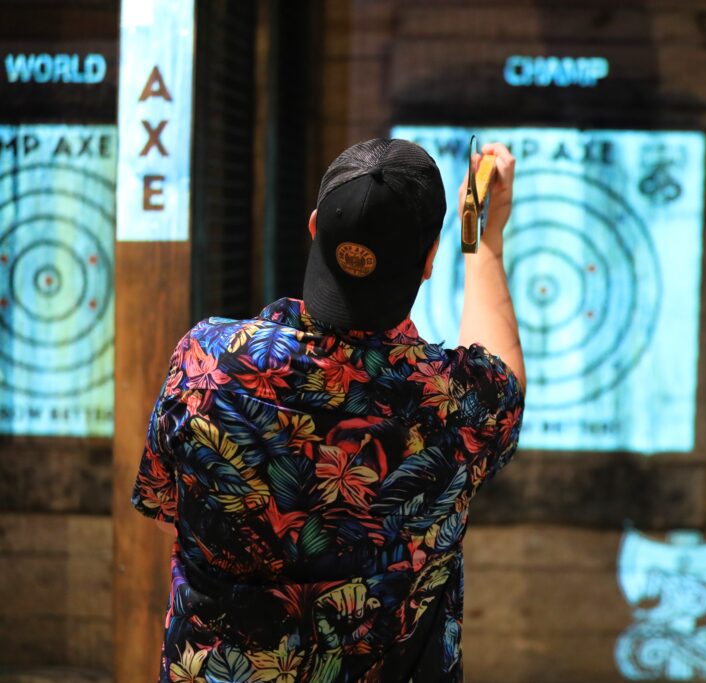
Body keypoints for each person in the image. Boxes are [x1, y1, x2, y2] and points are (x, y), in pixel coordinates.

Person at [130, 138, 526, 682]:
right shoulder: (459, 401)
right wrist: (483, 239)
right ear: (430, 258)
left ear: (315, 226)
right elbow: (504, 376)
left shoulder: (208, 362)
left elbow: (161, 503)